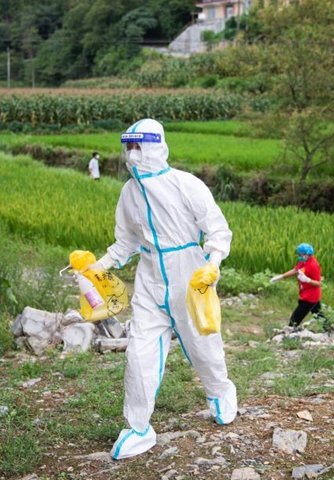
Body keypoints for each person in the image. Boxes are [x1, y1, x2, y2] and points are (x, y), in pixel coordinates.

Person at [86, 118, 237, 460]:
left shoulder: (186, 184)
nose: (133, 154)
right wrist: (101, 265)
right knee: (139, 353)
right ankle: (138, 427)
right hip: (150, 276)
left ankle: (219, 392)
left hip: (189, 274)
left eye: (140, 146)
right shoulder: (129, 193)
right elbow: (124, 241)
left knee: (203, 346)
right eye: (129, 147)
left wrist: (211, 264)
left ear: (156, 145)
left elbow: (217, 230)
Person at [270, 243, 324, 328]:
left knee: (295, 319)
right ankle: (329, 331)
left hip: (310, 297)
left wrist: (307, 280)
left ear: (307, 254)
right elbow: (296, 270)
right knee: (319, 316)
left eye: (300, 254)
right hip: (308, 294)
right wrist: (281, 277)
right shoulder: (304, 261)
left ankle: (288, 335)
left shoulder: (313, 265)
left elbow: (318, 283)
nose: (299, 256)